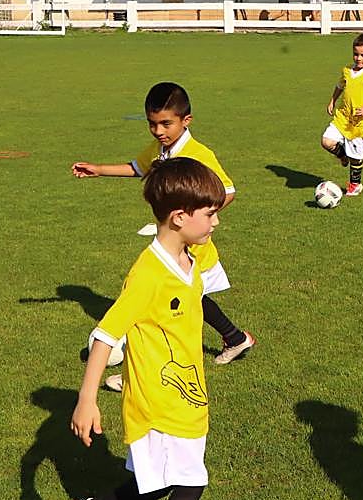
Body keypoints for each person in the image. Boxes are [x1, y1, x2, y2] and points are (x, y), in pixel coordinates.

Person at [70, 157, 225, 500]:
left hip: (188, 394)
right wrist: (87, 399)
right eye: (209, 213)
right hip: (159, 401)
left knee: (157, 479)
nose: (216, 220)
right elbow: (105, 334)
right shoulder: (148, 274)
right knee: (190, 484)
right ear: (180, 217)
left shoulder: (189, 258)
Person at [71, 83, 256, 375]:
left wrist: (196, 219)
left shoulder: (198, 154)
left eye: (166, 124)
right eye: (152, 124)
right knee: (182, 301)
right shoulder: (162, 150)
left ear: (186, 121)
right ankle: (235, 338)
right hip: (174, 244)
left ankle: (144, 372)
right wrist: (99, 169)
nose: (159, 131)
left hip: (190, 246)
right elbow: (138, 167)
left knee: (164, 304)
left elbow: (228, 190)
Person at [320, 33, 363, 197]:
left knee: (356, 159)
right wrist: (332, 101)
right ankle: (342, 156)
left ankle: (355, 185)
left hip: (359, 124)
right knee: (326, 141)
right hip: (342, 118)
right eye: (356, 54)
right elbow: (339, 86)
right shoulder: (347, 71)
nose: (359, 58)